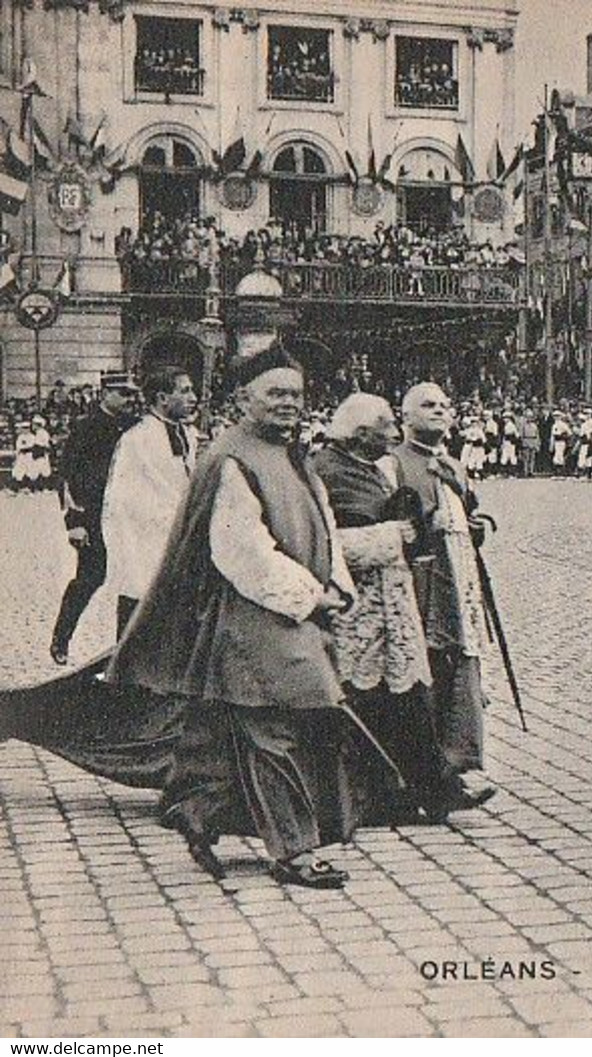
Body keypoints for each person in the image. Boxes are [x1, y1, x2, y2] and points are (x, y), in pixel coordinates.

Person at [107, 347, 369, 888]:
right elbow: (241, 551)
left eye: (295, 394)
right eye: (275, 393)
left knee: (234, 728)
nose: (288, 404)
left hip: (292, 615)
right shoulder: (231, 458)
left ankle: (197, 811)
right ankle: (294, 850)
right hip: (253, 618)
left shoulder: (293, 455)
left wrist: (337, 583)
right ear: (242, 399)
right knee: (280, 725)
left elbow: (322, 523)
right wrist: (309, 595)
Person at [312, 394, 439, 825]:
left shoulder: (378, 468)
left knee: (402, 697)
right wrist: (391, 536)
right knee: (367, 702)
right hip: (356, 609)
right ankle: (380, 797)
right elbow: (329, 544)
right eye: (386, 426)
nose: (394, 434)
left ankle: (423, 789)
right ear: (360, 433)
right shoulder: (326, 470)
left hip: (390, 603)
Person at [393, 383, 499, 818]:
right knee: (426, 674)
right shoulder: (395, 463)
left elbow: (470, 511)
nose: (438, 411)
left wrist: (475, 524)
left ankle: (453, 767)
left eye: (443, 405)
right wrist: (424, 524)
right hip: (420, 583)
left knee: (457, 669)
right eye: (427, 405)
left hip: (458, 581)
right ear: (406, 416)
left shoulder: (454, 465)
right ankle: (417, 779)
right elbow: (393, 522)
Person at [50, 371, 141, 665]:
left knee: (131, 581)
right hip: (92, 519)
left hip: (125, 519)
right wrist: (74, 522)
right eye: (123, 393)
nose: (130, 399)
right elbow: (66, 477)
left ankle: (123, 650)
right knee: (90, 578)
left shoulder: (134, 427)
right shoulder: (85, 427)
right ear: (105, 393)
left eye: (132, 394)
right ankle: (61, 639)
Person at [102, 365, 199, 636]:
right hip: (144, 541)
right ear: (162, 398)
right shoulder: (137, 439)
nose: (194, 397)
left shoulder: (187, 434)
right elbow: (121, 497)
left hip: (178, 537)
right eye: (185, 391)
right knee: (139, 605)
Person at [518, 409, 542, 477]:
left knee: (532, 458)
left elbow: (537, 435)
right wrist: (522, 442)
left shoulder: (534, 425)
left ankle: (531, 471)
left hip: (533, 441)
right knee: (526, 458)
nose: (529, 418)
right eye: (528, 417)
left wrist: (537, 443)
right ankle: (525, 471)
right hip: (526, 441)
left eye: (530, 417)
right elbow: (521, 435)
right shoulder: (523, 426)